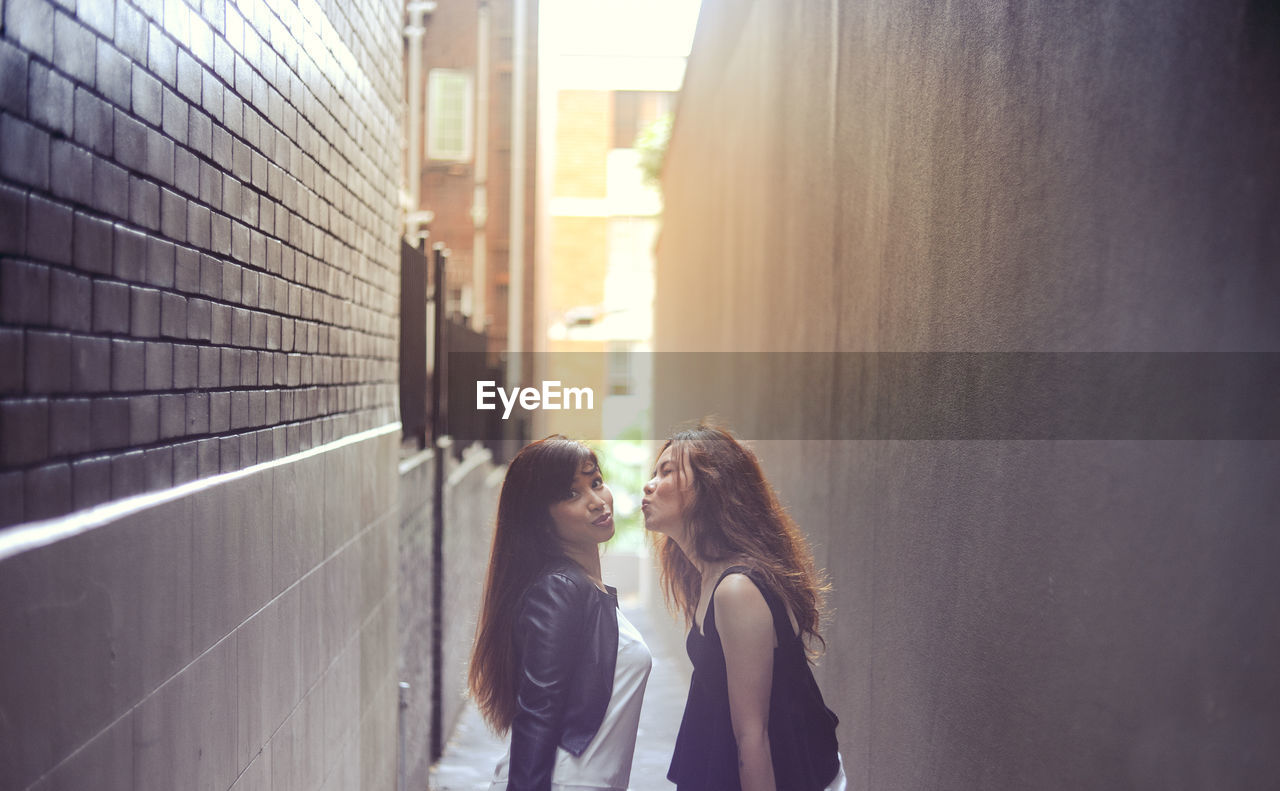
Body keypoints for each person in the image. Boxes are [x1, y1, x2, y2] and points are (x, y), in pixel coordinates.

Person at [643, 424, 844, 791]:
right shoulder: (708, 577)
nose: (649, 484)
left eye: (667, 471)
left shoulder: (737, 589)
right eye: (655, 472)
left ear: (710, 487)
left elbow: (753, 735)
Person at [469, 435, 653, 791]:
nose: (597, 501)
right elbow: (537, 714)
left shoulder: (582, 587)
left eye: (596, 482)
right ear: (541, 520)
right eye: (572, 493)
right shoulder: (560, 590)